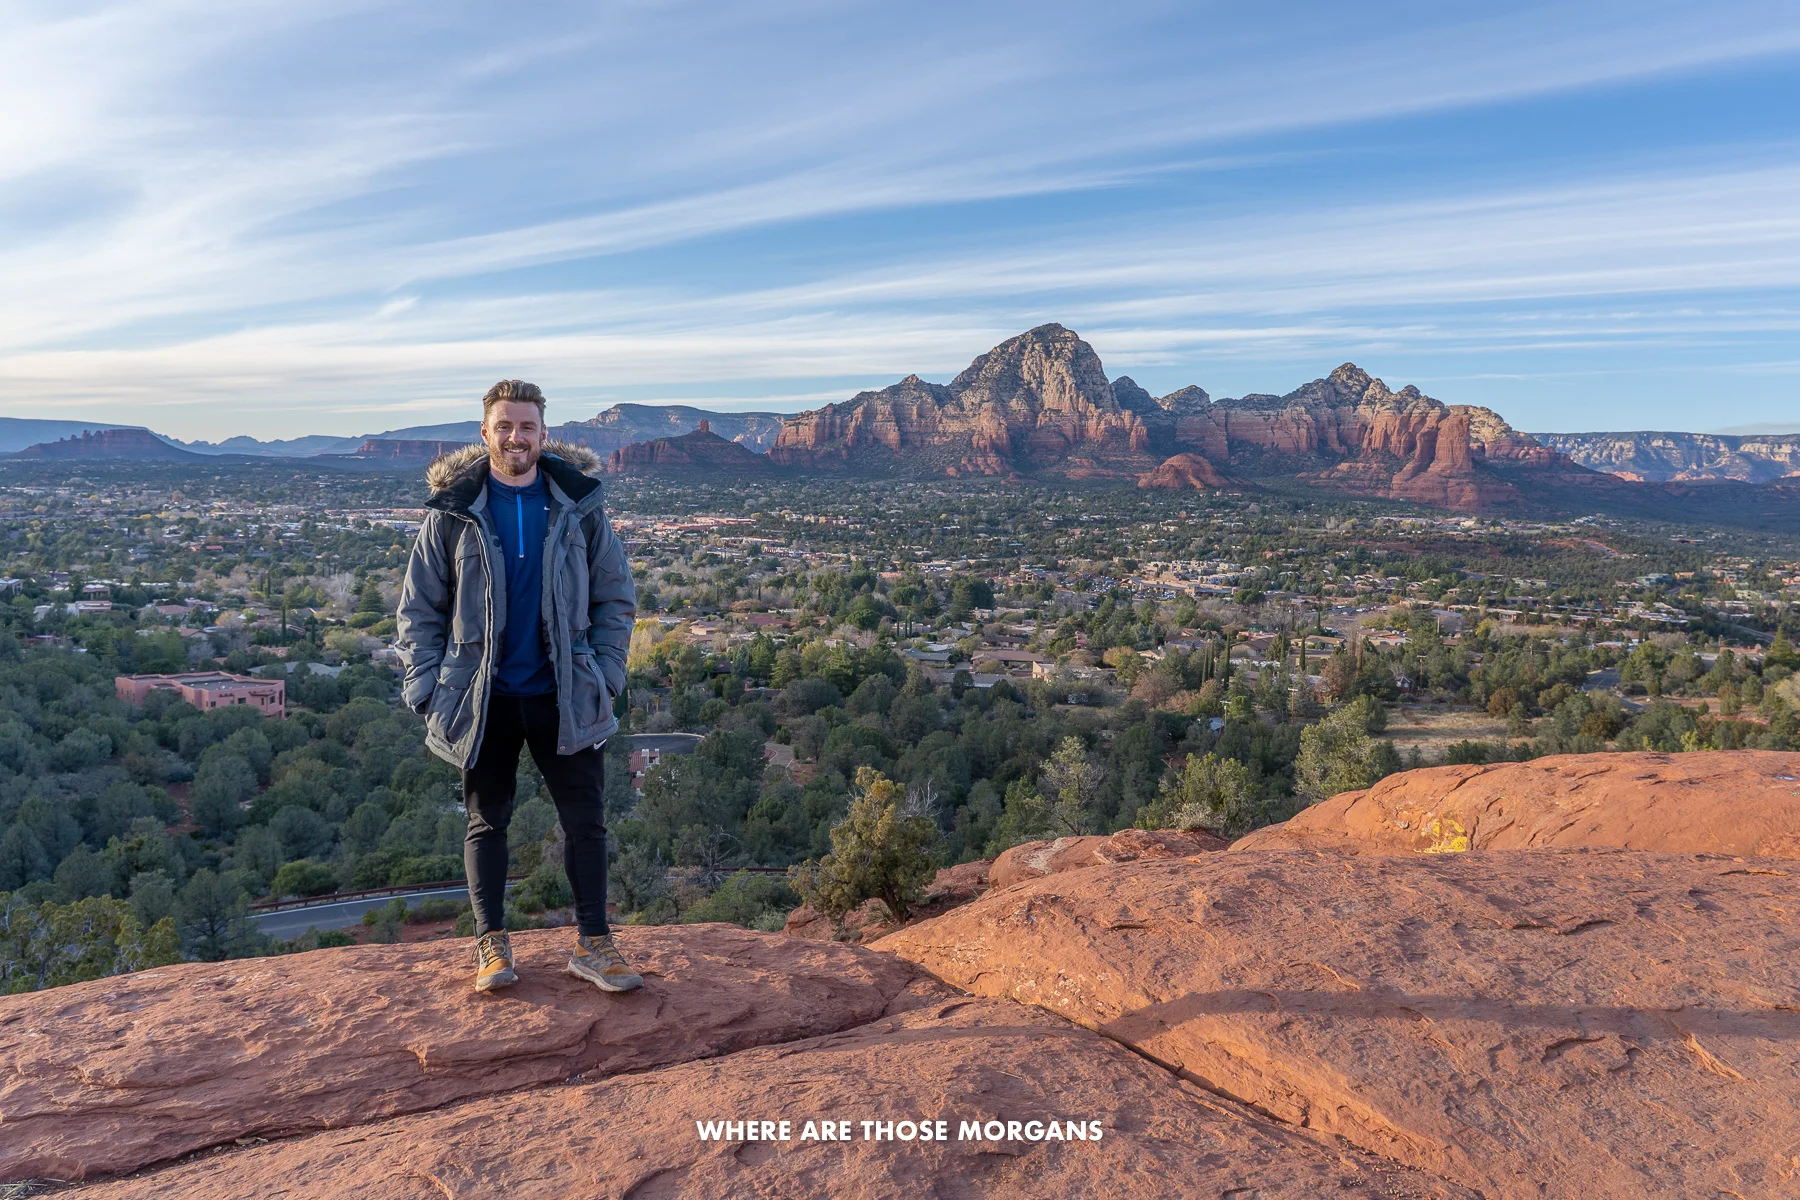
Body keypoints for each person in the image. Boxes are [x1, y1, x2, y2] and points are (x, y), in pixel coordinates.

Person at [396, 379, 642, 994]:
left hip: (567, 694)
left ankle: (594, 944)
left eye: (527, 427)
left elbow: (616, 598)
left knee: (587, 824)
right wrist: (428, 691)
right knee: (488, 823)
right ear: (485, 433)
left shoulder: (578, 507)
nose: (515, 437)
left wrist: (607, 673)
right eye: (504, 426)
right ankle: (492, 946)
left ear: (542, 433)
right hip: (483, 699)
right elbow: (419, 611)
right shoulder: (453, 512)